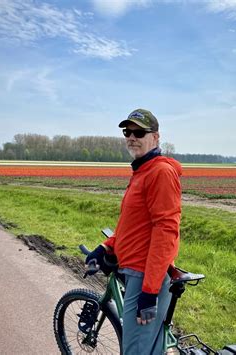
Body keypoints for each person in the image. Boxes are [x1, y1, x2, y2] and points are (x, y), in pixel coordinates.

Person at [85, 108, 183, 354]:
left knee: (135, 351)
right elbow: (133, 226)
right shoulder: (142, 171)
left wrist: (149, 292)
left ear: (155, 137)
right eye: (127, 131)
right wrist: (106, 247)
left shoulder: (160, 172)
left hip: (145, 275)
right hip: (135, 270)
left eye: (139, 132)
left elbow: (166, 233)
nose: (132, 137)